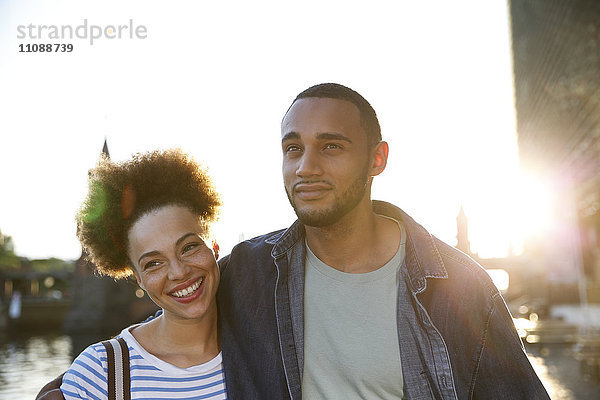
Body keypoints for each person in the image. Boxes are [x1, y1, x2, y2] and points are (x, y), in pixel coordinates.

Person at [216, 83, 550, 399]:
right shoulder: (247, 273)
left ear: (377, 159)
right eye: (293, 149)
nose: (306, 167)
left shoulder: (462, 286)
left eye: (330, 146)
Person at [58, 149, 226, 399]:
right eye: (153, 263)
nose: (178, 272)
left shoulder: (272, 349)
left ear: (214, 247)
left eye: (189, 247)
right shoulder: (99, 374)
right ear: (138, 279)